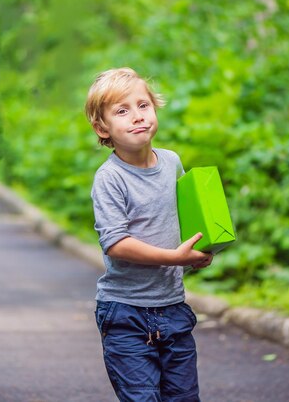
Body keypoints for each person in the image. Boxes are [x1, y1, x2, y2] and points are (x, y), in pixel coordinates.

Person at [85, 67, 213, 401]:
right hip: (126, 313)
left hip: (172, 308)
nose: (138, 117)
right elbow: (115, 243)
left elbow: (186, 219)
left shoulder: (171, 162)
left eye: (143, 105)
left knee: (183, 397)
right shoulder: (110, 178)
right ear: (103, 128)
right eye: (122, 111)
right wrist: (174, 257)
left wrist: (198, 252)